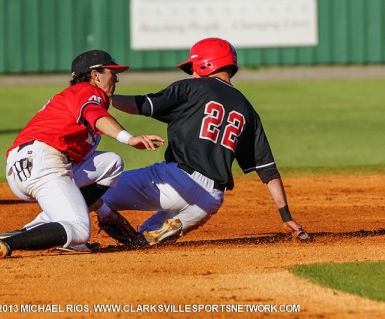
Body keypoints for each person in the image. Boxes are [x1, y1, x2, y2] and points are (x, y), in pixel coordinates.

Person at [97, 37, 310, 247]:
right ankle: (176, 224)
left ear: (206, 64)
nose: (192, 73)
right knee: (143, 238)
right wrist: (286, 217)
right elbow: (267, 170)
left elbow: (142, 105)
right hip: (210, 199)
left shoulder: (192, 88)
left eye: (193, 67)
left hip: (176, 180)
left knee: (94, 191)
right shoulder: (247, 111)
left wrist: (98, 98)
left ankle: (75, 229)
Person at [0, 49, 164, 258]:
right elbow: (95, 114)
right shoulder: (87, 91)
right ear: (95, 75)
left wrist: (105, 212)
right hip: (44, 161)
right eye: (111, 72)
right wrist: (129, 138)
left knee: (111, 163)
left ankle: (34, 229)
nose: (116, 78)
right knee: (80, 230)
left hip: (27, 165)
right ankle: (8, 242)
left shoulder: (74, 96)